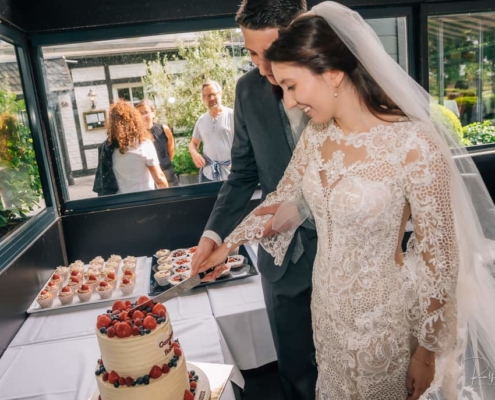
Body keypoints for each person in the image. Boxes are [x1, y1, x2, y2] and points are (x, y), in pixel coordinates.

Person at [199, 2, 495, 400]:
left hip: (381, 319)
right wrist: (227, 246)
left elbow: (439, 258)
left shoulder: (414, 144)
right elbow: (283, 199)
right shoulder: (318, 136)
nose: (287, 102)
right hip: (327, 312)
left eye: (291, 86)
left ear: (333, 73)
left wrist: (426, 352)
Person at [190, 2, 318, 399]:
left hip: (349, 254)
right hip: (281, 264)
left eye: (272, 52)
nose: (263, 68)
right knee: (296, 372)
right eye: (252, 54)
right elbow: (243, 172)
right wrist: (216, 234)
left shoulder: (339, 82)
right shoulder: (247, 90)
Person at [101, 100, 168, 194]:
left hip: (121, 201)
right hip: (144, 200)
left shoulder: (110, 148)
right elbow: (159, 178)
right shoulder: (144, 144)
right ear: (134, 120)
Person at [188, 80, 234, 182]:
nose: (211, 98)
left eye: (213, 94)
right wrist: (194, 154)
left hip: (232, 173)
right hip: (208, 174)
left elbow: (247, 141)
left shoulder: (233, 115)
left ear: (220, 94)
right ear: (203, 98)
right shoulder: (201, 120)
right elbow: (193, 143)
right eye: (207, 96)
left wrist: (239, 161)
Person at [135, 99, 180, 187]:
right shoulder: (137, 135)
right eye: (140, 113)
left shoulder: (164, 129)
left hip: (167, 173)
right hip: (148, 176)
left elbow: (170, 151)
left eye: (145, 112)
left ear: (153, 113)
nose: (143, 116)